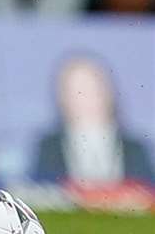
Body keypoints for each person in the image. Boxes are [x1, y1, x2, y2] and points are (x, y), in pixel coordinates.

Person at [31, 55, 155, 184]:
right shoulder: (48, 148)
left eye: (91, 87)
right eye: (76, 90)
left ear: (107, 91)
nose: (85, 97)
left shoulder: (135, 148)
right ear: (62, 98)